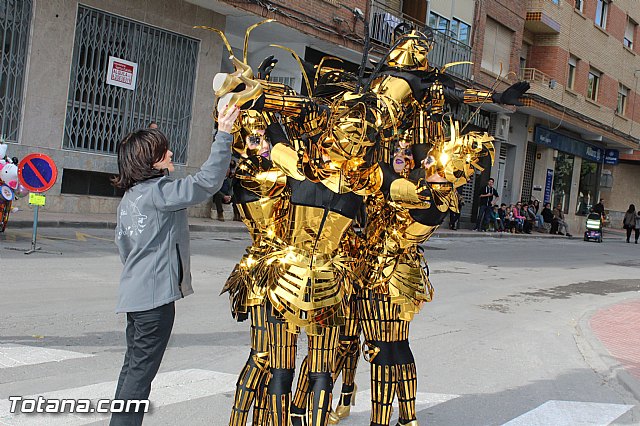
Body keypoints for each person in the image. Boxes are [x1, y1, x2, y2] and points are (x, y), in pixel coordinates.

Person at [110, 106, 239, 426]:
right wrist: (224, 133)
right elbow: (207, 182)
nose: (169, 153)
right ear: (148, 161)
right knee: (139, 377)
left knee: (132, 370)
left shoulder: (130, 198)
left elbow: (123, 247)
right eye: (161, 152)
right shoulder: (160, 192)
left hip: (135, 297)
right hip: (154, 302)